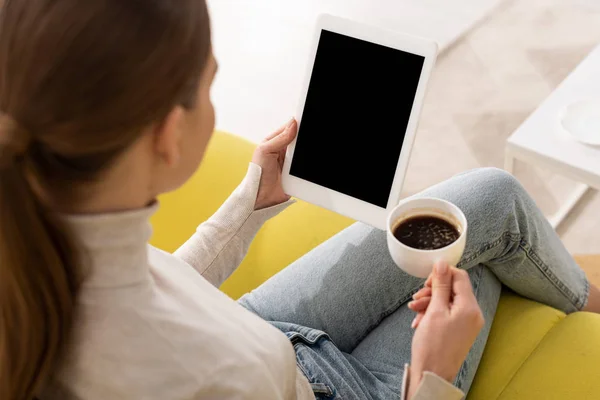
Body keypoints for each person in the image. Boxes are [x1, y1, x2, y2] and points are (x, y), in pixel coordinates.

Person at [0, 1, 598, 399]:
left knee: (483, 205)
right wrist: (433, 374)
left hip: (254, 330)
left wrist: (250, 204)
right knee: (478, 256)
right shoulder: (223, 377)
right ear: (167, 134)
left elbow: (151, 291)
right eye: (210, 84)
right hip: (315, 382)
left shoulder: (38, 228)